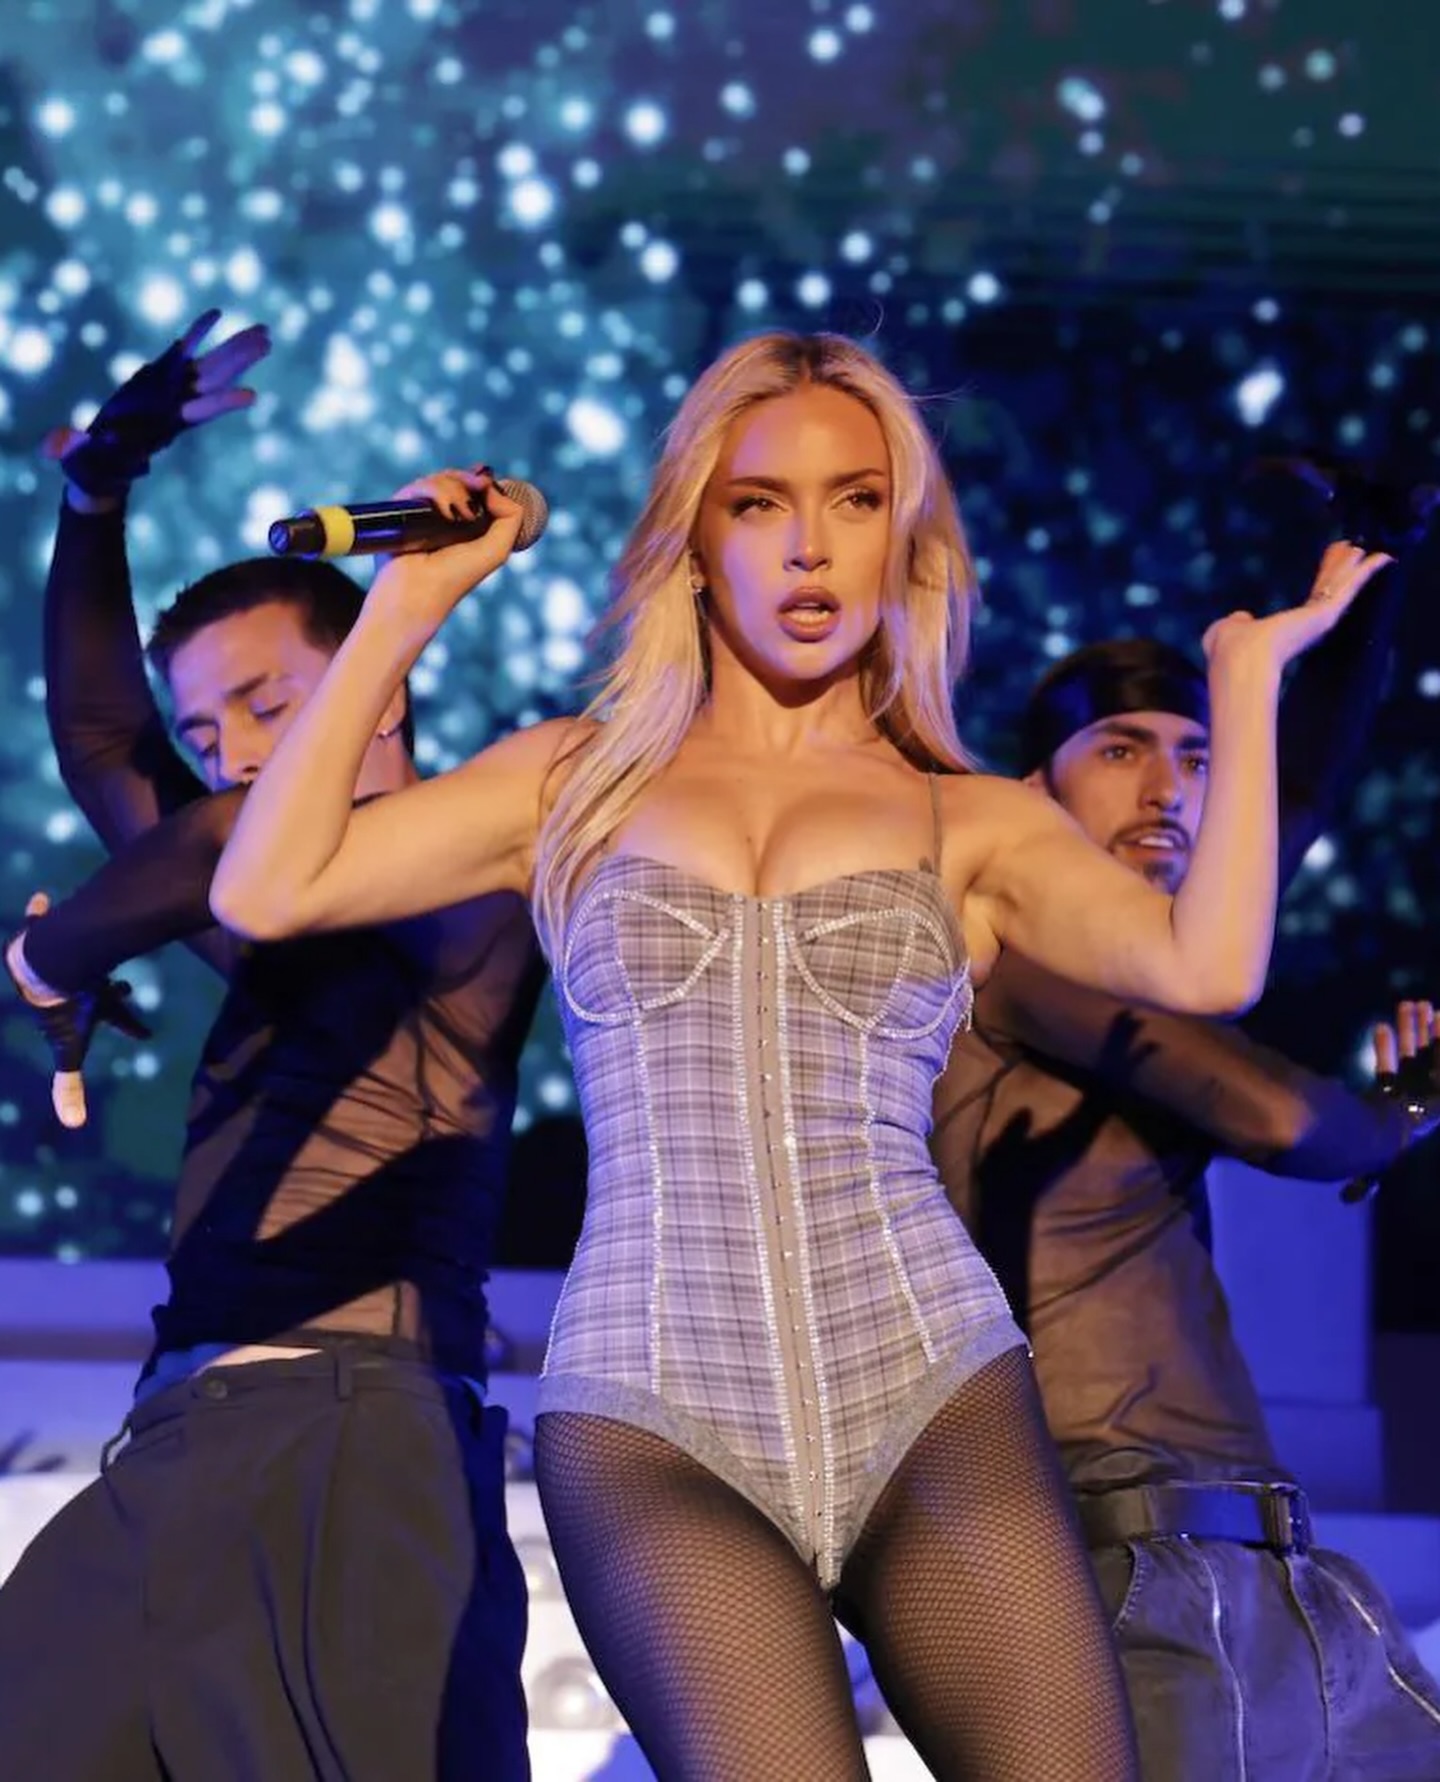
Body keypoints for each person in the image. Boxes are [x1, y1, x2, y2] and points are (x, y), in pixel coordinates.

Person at [209, 329, 1390, 1781]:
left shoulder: (969, 816)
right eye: (760, 501)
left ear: (905, 539)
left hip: (932, 1386)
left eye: (857, 499)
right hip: (655, 1406)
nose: (811, 547)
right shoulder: (573, 778)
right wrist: (407, 604)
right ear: (697, 540)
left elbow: (1210, 968)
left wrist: (1245, 683)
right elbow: (266, 886)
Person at [0, 313, 543, 1781]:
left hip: (344, 1429)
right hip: (192, 1431)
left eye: (269, 705)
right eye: (207, 729)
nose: (236, 752)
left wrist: (44, 959)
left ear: (379, 682)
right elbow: (108, 754)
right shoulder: (266, 891)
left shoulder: (474, 866)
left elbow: (206, 837)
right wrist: (92, 495)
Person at [930, 609, 1440, 1779]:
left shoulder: (1151, 961)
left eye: (1198, 757)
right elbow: (1285, 1121)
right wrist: (1401, 1117)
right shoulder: (1024, 959)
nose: (1167, 789)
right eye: (1120, 750)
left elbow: (1293, 801)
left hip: (1251, 1562)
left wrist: (1376, 581)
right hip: (1136, 1556)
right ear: (1032, 795)